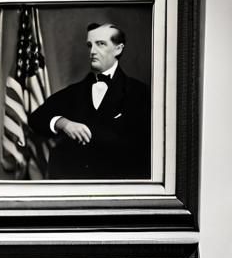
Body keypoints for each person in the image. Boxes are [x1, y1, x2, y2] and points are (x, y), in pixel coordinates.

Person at [29, 22, 150, 180]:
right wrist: (63, 123)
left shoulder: (140, 93)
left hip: (117, 190)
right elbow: (35, 118)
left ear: (118, 49)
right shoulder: (74, 92)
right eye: (89, 45)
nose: (92, 51)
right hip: (72, 188)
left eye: (100, 44)